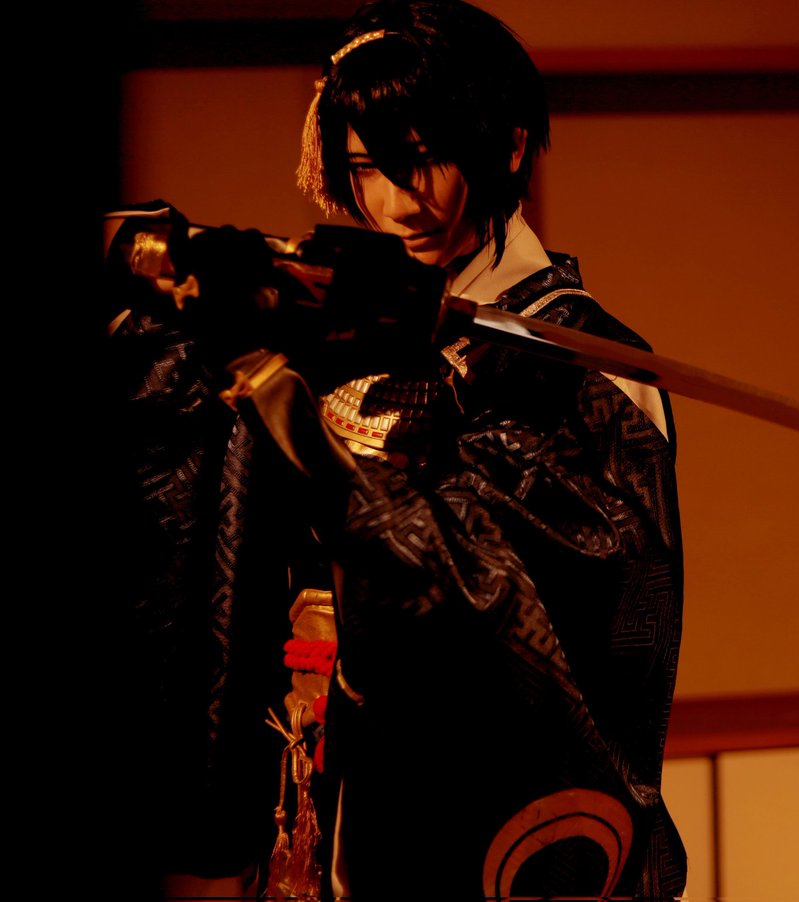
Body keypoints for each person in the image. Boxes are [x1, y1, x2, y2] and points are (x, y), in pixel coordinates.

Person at [108, 0, 686, 898]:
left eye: (423, 160)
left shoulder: (584, 368)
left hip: (484, 810)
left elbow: (504, 598)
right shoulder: (359, 332)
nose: (394, 202)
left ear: (509, 148)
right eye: (366, 169)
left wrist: (304, 437)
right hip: (326, 772)